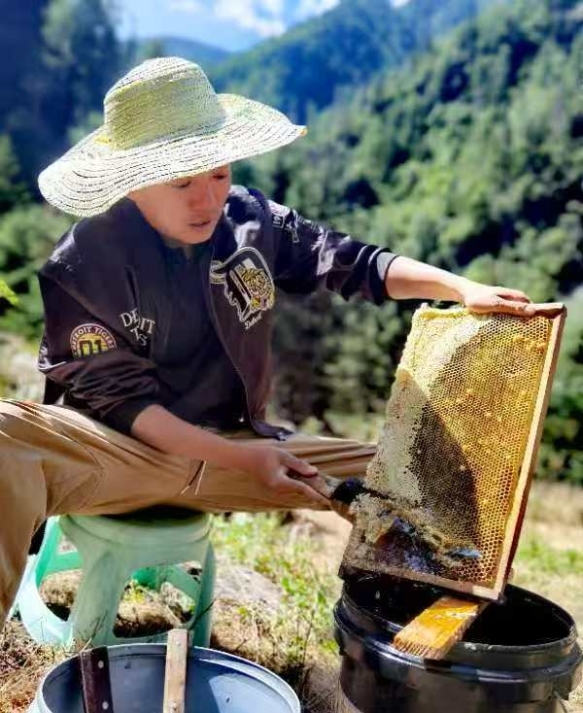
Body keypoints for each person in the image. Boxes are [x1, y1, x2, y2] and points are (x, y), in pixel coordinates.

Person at [0, 57, 534, 628]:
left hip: (239, 444)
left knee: (423, 479)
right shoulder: (84, 263)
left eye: (218, 175)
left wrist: (460, 287)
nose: (207, 200)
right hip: (123, 453)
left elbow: (348, 261)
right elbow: (125, 404)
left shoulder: (250, 221)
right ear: (131, 183)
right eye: (182, 183)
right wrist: (244, 459)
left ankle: (416, 644)